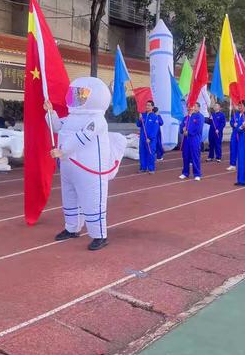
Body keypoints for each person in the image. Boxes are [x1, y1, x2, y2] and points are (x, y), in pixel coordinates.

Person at [44, 77, 126, 251]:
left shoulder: (97, 120)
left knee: (92, 201)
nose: (76, 97)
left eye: (81, 94)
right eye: (75, 94)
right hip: (68, 167)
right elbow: (57, 127)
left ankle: (99, 235)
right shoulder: (71, 117)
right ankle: (71, 228)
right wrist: (51, 113)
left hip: (89, 170)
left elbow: (82, 137)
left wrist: (62, 150)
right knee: (70, 198)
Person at [179, 102, 205, 181]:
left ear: (197, 108)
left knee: (195, 157)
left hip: (194, 139)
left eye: (193, 106)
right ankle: (185, 173)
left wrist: (189, 132)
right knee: (185, 156)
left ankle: (197, 174)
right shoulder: (185, 118)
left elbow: (198, 128)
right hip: (186, 140)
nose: (190, 108)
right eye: (188, 107)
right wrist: (182, 130)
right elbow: (181, 127)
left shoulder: (199, 117)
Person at [136, 100, 159, 174]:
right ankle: (143, 167)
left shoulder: (155, 117)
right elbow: (138, 124)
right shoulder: (143, 115)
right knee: (142, 153)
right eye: (146, 105)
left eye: (149, 105)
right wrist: (139, 119)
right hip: (142, 138)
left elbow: (155, 129)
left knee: (150, 153)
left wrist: (150, 138)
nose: (147, 106)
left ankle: (151, 168)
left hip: (150, 139)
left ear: (152, 107)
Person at [227, 103, 244, 171]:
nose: (239, 107)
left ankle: (242, 164)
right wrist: (233, 124)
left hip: (242, 135)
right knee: (233, 149)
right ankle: (232, 165)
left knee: (242, 150)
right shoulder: (235, 114)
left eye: (241, 106)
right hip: (234, 134)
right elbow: (231, 122)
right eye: (239, 106)